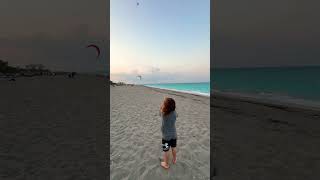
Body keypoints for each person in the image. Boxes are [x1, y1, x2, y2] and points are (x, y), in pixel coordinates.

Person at [160, 97, 178, 169]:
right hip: (174, 134)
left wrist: (163, 106)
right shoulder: (175, 113)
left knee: (166, 150)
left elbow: (161, 109)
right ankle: (174, 159)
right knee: (173, 148)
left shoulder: (163, 113)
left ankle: (166, 164)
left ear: (166, 106)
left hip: (166, 137)